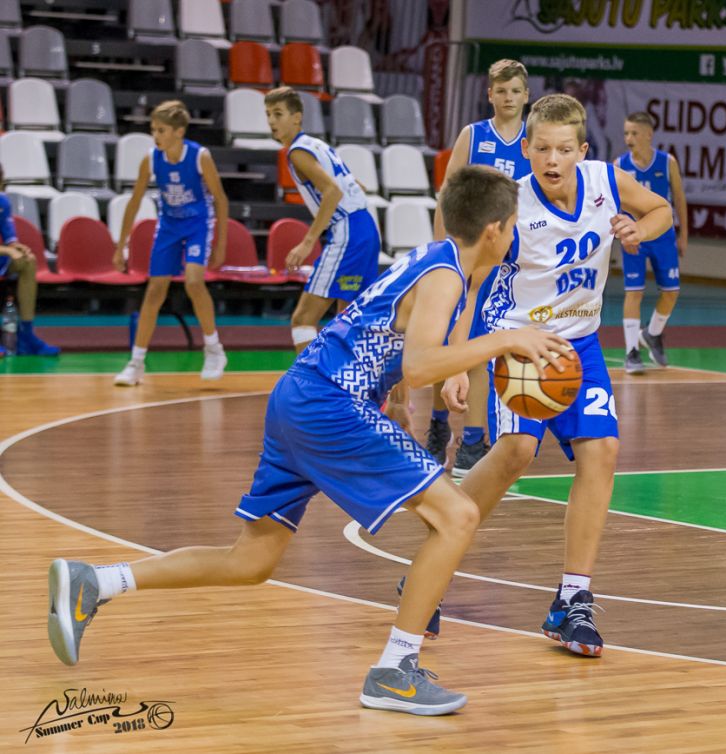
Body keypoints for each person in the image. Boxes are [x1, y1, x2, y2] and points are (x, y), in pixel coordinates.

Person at [47, 165, 570, 716]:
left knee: (250, 560)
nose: (515, 232)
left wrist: (424, 381)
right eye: (513, 223)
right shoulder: (445, 277)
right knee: (458, 516)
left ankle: (96, 582)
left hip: (299, 395)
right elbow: (419, 366)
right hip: (330, 405)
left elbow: (392, 337)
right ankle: (395, 669)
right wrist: (503, 340)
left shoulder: (436, 260)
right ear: (494, 229)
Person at [441, 94, 672, 656]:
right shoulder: (510, 208)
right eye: (542, 148)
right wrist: (458, 362)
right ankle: (436, 554)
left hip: (581, 345)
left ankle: (573, 600)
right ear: (526, 149)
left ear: (582, 150)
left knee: (603, 450)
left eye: (564, 149)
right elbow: (470, 282)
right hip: (518, 342)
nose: (552, 159)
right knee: (517, 451)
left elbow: (661, 209)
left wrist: (640, 231)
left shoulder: (606, 181)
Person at [420, 59, 532, 476]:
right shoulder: (474, 135)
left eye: (515, 91)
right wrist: (441, 251)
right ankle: (437, 427)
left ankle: (471, 441)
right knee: (447, 343)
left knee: (482, 348)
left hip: (508, 262)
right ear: (490, 95)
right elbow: (448, 193)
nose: (508, 98)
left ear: (526, 95)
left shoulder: (533, 141)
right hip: (467, 253)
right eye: (501, 91)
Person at [112, 101, 228, 385]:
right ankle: (136, 362)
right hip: (169, 226)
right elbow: (134, 202)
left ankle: (214, 349)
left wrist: (221, 244)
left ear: (179, 132)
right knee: (154, 290)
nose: (155, 135)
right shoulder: (151, 159)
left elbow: (221, 200)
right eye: (153, 130)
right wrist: (121, 245)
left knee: (193, 282)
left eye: (161, 130)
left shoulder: (199, 156)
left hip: (198, 224)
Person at [264, 86, 382, 353]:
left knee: (302, 319)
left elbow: (332, 191)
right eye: (268, 114)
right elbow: (355, 185)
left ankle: (308, 380)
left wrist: (307, 242)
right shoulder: (317, 144)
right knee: (348, 321)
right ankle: (350, 377)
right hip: (366, 228)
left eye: (278, 114)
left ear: (297, 117)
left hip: (348, 231)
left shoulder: (297, 152)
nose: (271, 121)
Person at [615, 111, 688, 373]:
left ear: (648, 134)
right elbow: (614, 204)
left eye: (634, 133)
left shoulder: (667, 162)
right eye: (626, 133)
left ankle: (653, 333)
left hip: (663, 235)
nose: (629, 138)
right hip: (635, 234)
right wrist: (622, 235)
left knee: (671, 292)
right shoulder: (619, 164)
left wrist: (684, 234)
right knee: (634, 291)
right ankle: (631, 352)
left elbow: (679, 200)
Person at [0, 169, 59, 357]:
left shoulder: (3, 203)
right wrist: (7, 251)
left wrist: (18, 247)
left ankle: (26, 335)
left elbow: (10, 238)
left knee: (28, 262)